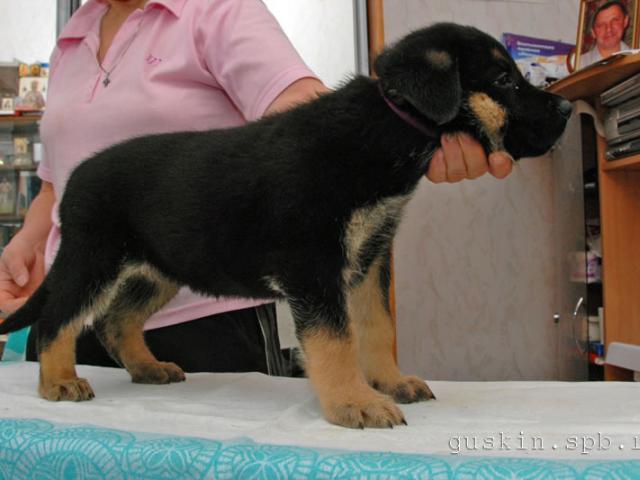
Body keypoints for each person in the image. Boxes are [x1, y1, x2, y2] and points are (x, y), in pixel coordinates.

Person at [0, 0, 513, 374]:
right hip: (78, 309)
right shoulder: (73, 33)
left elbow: (305, 115)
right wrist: (26, 240)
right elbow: (55, 178)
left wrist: (403, 133)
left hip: (209, 321)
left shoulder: (220, 10)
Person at [581, 1, 631, 67]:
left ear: (625, 21)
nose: (609, 29)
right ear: (593, 32)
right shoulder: (578, 65)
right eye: (601, 25)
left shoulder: (636, 60)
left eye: (614, 20)